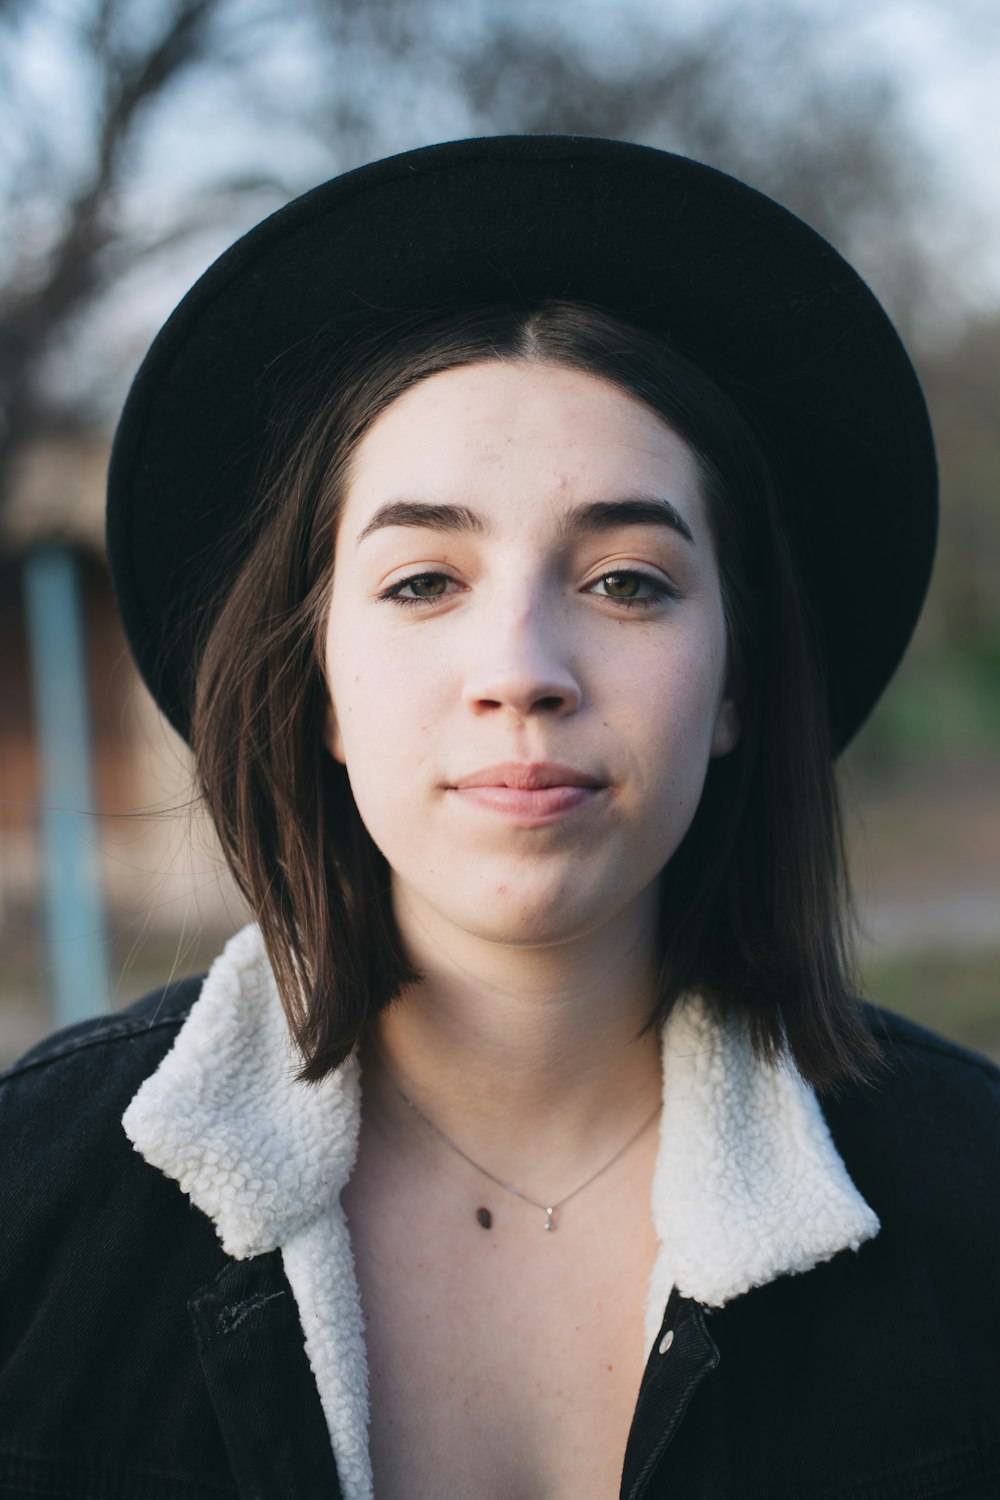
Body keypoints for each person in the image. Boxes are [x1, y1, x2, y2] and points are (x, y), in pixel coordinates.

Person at [1, 136, 998, 1500]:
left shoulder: (973, 1211)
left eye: (628, 580)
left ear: (737, 684)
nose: (522, 666)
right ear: (323, 689)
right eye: (423, 581)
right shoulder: (30, 1212)